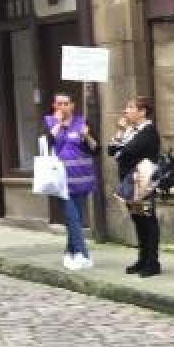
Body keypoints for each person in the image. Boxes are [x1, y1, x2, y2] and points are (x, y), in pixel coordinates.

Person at [44, 92, 100, 270]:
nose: (62, 107)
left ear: (72, 105)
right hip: (61, 181)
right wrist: (58, 124)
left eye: (66, 103)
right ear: (54, 106)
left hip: (81, 180)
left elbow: (96, 149)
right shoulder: (50, 123)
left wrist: (87, 136)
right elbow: (46, 145)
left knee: (75, 219)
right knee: (73, 217)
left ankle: (69, 253)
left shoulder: (82, 122)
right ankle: (82, 255)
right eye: (59, 104)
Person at [108, 96, 162, 277]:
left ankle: (153, 262)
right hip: (129, 182)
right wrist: (120, 132)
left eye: (130, 107)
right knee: (138, 220)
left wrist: (120, 149)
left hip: (144, 183)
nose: (126, 111)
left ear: (142, 111)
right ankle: (142, 258)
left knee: (148, 221)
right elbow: (111, 150)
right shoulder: (130, 130)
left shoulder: (148, 131)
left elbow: (126, 152)